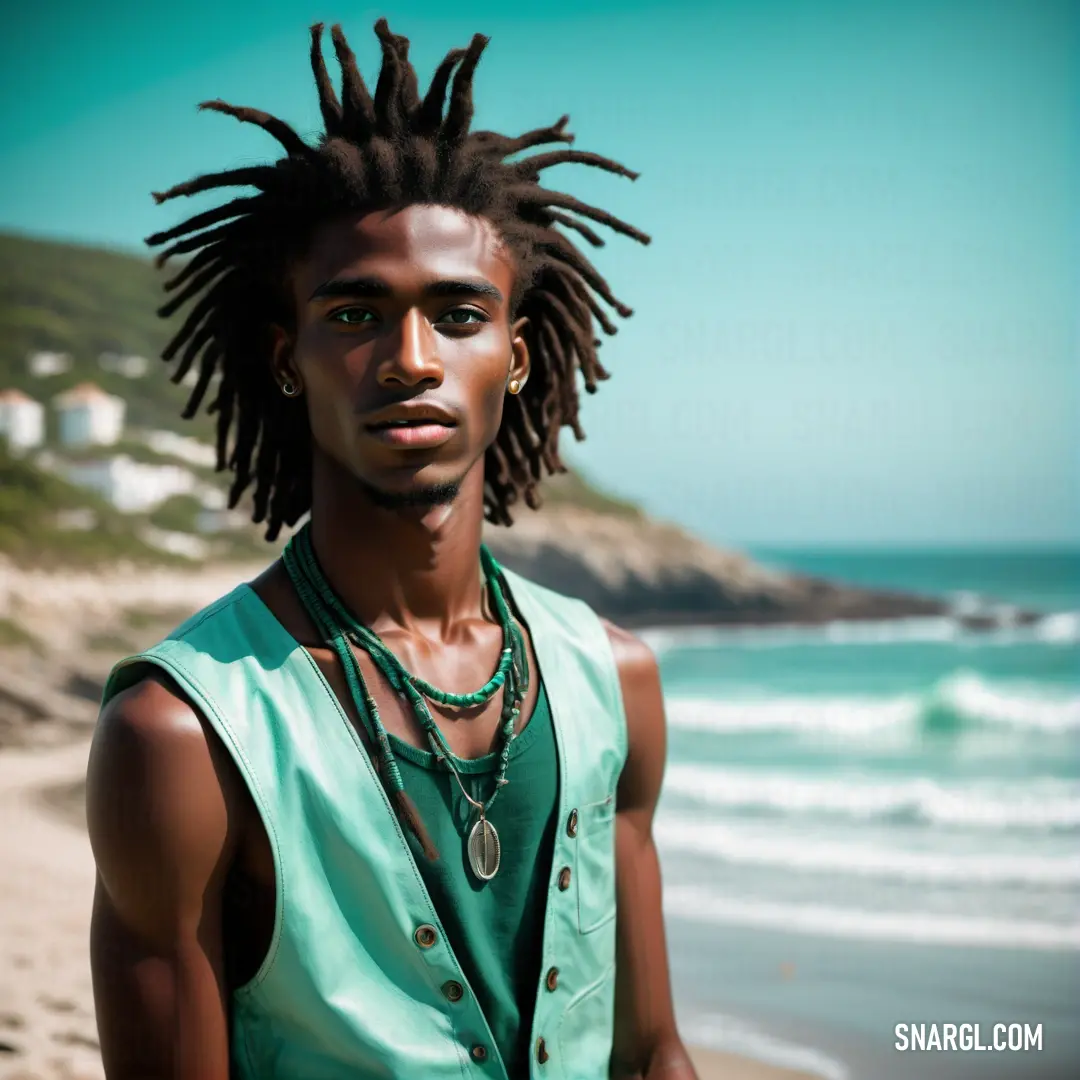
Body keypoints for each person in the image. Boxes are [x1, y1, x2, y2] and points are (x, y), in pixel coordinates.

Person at [86, 18, 699, 1080]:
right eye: (357, 313)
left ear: (515, 355)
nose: (410, 360)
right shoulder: (178, 738)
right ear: (288, 358)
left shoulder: (617, 681)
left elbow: (651, 1055)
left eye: (458, 314)